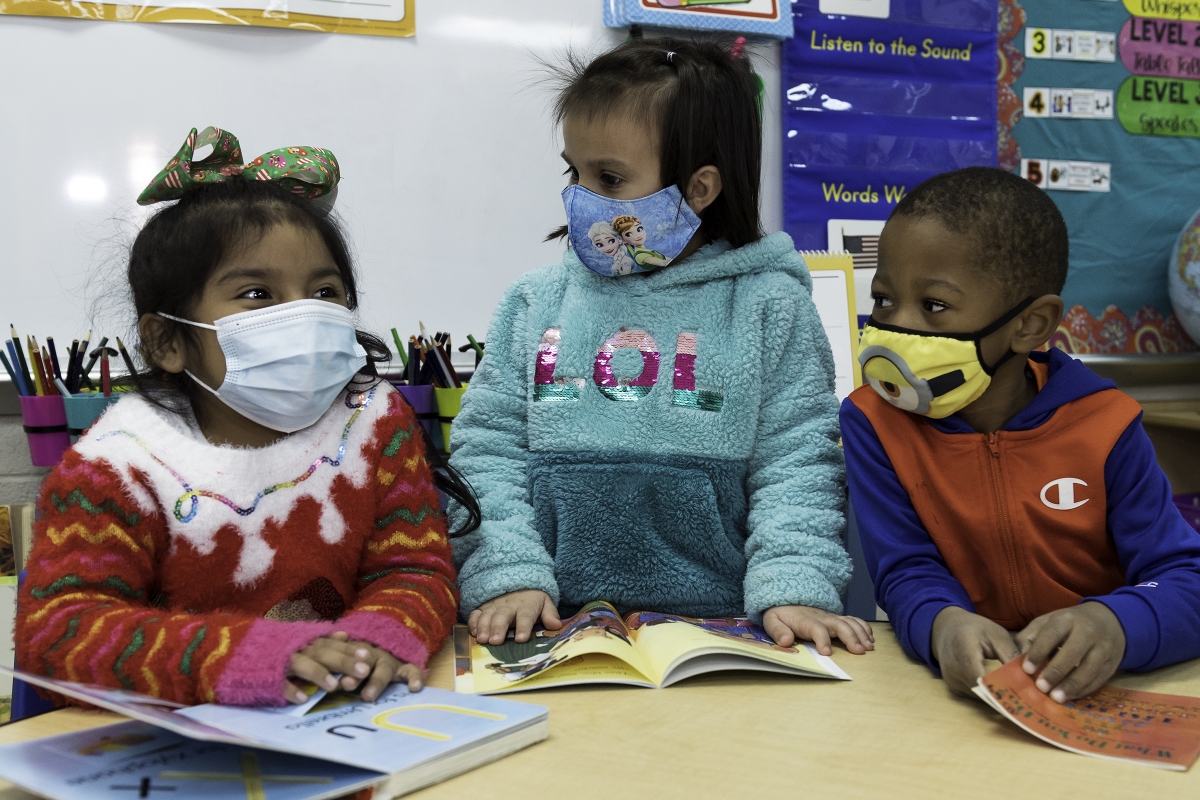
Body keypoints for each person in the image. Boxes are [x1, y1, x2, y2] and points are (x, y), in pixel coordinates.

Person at [16, 127, 479, 707]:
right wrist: (245, 656)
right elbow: (58, 630)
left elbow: (415, 569)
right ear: (166, 342)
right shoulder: (119, 467)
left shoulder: (373, 422)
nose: (305, 315)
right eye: (257, 294)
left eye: (326, 291)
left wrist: (375, 642)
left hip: (342, 726)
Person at [449, 37, 873, 658]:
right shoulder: (534, 300)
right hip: (547, 618)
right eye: (575, 172)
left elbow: (797, 464)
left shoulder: (769, 306)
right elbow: (487, 451)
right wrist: (507, 573)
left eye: (610, 178)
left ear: (699, 189)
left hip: (722, 627)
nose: (580, 198)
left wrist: (795, 584)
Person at [841, 166, 1200, 702]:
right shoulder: (872, 421)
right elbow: (905, 570)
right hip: (968, 702)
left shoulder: (1105, 423)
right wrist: (942, 624)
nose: (896, 329)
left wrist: (1117, 625)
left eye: (934, 306)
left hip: (1100, 695)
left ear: (1030, 326)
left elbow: (1183, 576)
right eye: (884, 299)